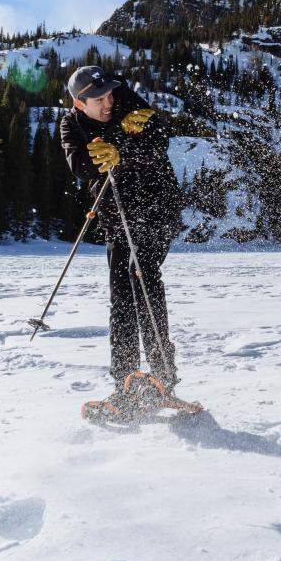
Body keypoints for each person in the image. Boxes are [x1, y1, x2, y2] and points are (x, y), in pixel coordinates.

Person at [59, 65, 185, 403]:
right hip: (117, 213)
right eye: (99, 99)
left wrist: (125, 146)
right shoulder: (71, 124)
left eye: (110, 94)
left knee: (141, 275)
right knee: (121, 294)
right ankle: (125, 380)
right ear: (79, 102)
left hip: (157, 203)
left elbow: (160, 140)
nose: (109, 102)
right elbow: (79, 166)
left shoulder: (124, 99)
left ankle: (163, 377)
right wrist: (115, 142)